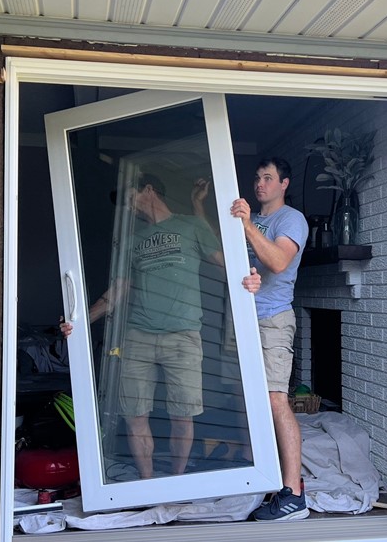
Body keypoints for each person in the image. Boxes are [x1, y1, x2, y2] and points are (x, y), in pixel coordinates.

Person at [61, 173, 260, 480]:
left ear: (149, 190)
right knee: (134, 415)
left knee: (183, 416)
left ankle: (176, 484)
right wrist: (78, 321)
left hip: (183, 336)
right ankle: (148, 483)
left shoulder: (191, 226)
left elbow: (227, 263)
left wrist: (250, 277)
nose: (127, 206)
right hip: (138, 336)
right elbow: (117, 291)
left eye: (129, 197)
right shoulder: (131, 240)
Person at [230, 157, 310, 521]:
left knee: (276, 398)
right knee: (244, 400)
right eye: (257, 178)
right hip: (242, 319)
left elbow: (278, 262)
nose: (260, 184)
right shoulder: (253, 222)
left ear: (284, 184)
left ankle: (293, 493)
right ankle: (259, 475)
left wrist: (247, 224)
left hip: (272, 320)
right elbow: (234, 263)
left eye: (268, 178)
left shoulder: (289, 219)